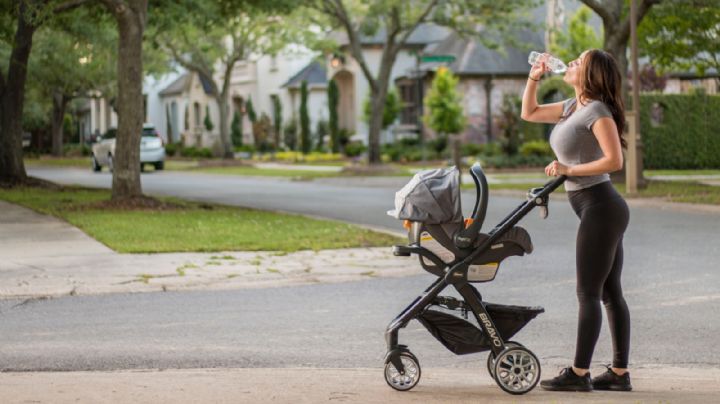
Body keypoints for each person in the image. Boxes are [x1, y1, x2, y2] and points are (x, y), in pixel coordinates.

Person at [520, 49, 632, 392]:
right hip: (595, 207)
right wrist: (534, 76)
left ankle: (579, 373)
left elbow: (615, 161)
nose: (569, 64)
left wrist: (569, 169)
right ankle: (618, 374)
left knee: (589, 293)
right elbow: (530, 112)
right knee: (610, 293)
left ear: (591, 74)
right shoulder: (573, 107)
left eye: (578, 62)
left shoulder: (597, 110)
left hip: (601, 206)